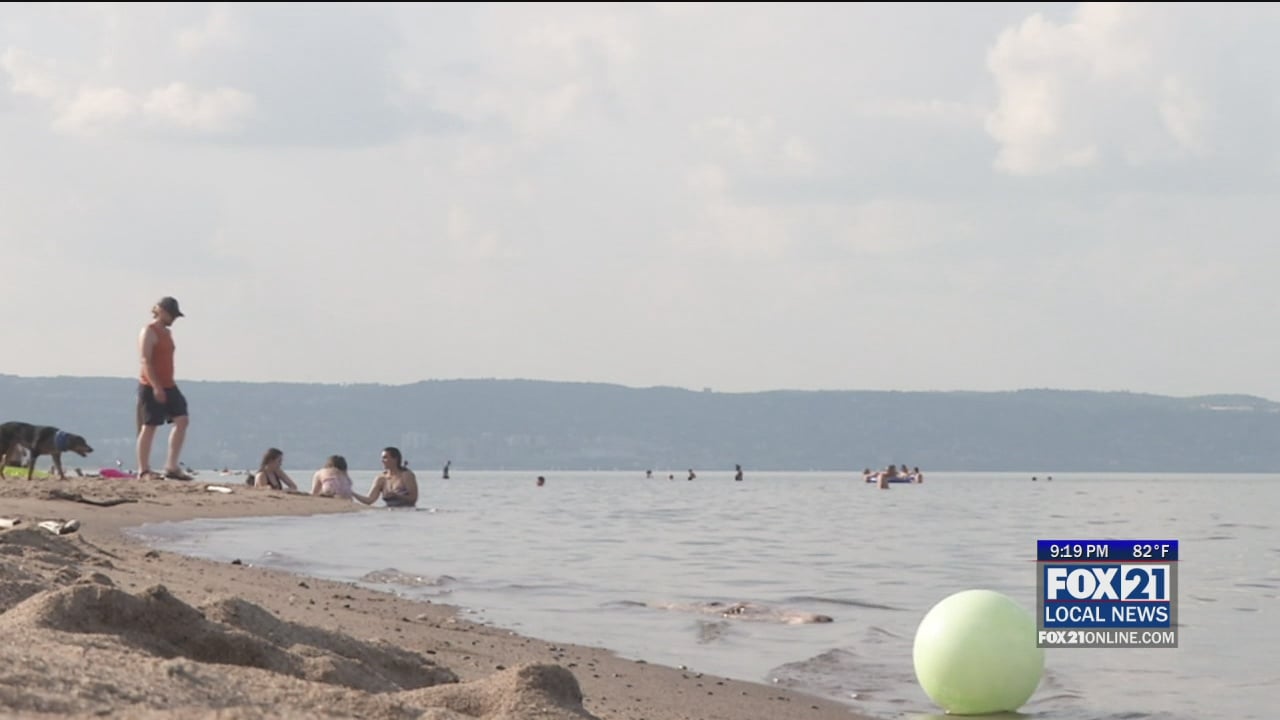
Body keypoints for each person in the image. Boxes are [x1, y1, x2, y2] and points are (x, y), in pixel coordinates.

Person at [136, 296, 193, 481]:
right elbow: (145, 360)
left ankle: (171, 466)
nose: (173, 319)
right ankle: (143, 470)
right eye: (171, 314)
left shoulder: (167, 333)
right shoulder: (149, 331)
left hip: (169, 384)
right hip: (151, 384)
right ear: (160, 311)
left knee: (182, 420)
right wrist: (156, 387)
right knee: (150, 426)